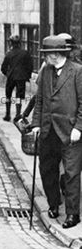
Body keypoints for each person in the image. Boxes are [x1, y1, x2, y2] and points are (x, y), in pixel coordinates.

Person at [31, 34, 82, 229]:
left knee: (71, 173)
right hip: (48, 130)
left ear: (55, 54)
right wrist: (36, 123)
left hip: (70, 132)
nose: (45, 57)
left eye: (47, 53)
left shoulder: (77, 71)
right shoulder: (45, 72)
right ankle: (53, 204)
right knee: (47, 169)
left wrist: (79, 127)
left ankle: (72, 214)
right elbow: (40, 100)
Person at [0, 35, 33, 122]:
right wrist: (27, 76)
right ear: (19, 43)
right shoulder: (25, 53)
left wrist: (8, 74)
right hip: (21, 77)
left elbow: (3, 68)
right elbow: (30, 66)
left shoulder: (9, 54)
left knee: (8, 96)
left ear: (11, 43)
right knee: (19, 96)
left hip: (11, 77)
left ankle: (7, 115)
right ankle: (18, 114)